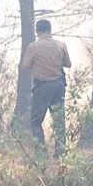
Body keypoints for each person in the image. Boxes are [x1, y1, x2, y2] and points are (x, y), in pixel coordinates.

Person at [22, 19, 71, 157]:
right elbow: (68, 63)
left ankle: (41, 154)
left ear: (37, 31)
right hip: (59, 86)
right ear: (50, 30)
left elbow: (26, 65)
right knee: (59, 121)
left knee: (36, 121)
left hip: (42, 87)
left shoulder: (33, 47)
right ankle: (61, 154)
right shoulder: (61, 45)